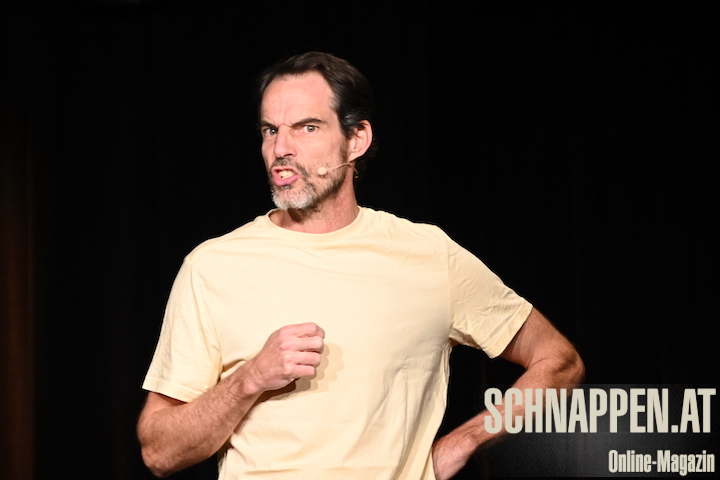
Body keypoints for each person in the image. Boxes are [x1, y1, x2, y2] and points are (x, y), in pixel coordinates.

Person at [137, 51, 584, 480]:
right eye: (270, 130)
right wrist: (249, 379)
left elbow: (559, 362)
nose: (281, 148)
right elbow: (159, 452)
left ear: (356, 140)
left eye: (307, 127)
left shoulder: (429, 255)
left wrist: (464, 443)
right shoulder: (213, 266)